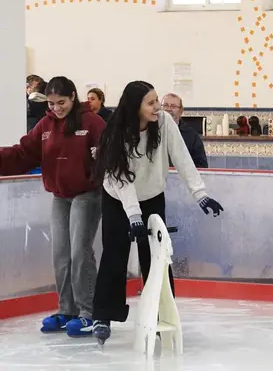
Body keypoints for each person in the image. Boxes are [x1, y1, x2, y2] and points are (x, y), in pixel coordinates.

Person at [90, 81, 224, 344]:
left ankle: (163, 314)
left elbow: (182, 157)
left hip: (152, 195)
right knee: (115, 253)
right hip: (118, 197)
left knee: (156, 256)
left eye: (157, 101)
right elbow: (121, 179)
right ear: (135, 107)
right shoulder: (116, 132)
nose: (157, 107)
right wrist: (134, 216)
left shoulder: (164, 123)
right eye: (150, 103)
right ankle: (103, 315)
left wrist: (200, 194)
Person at [1, 76, 105, 337]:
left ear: (73, 97)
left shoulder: (92, 122)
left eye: (61, 102)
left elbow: (111, 153)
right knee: (60, 253)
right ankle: (67, 309)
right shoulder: (45, 125)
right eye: (51, 103)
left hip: (87, 194)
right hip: (60, 196)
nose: (56, 108)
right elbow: (22, 153)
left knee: (79, 252)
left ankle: (88, 312)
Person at [161, 93, 208, 168]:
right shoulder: (151, 130)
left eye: (173, 106)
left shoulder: (192, 137)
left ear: (181, 111)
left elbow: (202, 166)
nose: (168, 109)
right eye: (165, 105)